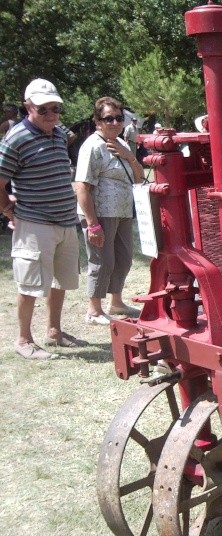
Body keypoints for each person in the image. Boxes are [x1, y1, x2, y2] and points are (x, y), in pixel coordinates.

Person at [0, 78, 87, 359]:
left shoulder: (59, 133)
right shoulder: (16, 138)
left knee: (60, 281)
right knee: (29, 284)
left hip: (65, 221)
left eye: (56, 108)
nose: (51, 115)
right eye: (44, 109)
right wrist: (6, 209)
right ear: (28, 107)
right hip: (35, 223)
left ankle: (54, 331)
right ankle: (24, 340)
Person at [74, 96, 145, 325]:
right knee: (102, 261)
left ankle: (116, 302)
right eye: (108, 118)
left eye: (118, 118)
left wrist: (130, 157)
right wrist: (92, 223)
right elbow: (82, 187)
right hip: (101, 213)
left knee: (123, 260)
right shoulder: (92, 146)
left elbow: (139, 178)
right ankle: (94, 310)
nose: (114, 122)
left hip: (123, 212)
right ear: (97, 121)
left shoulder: (122, 144)